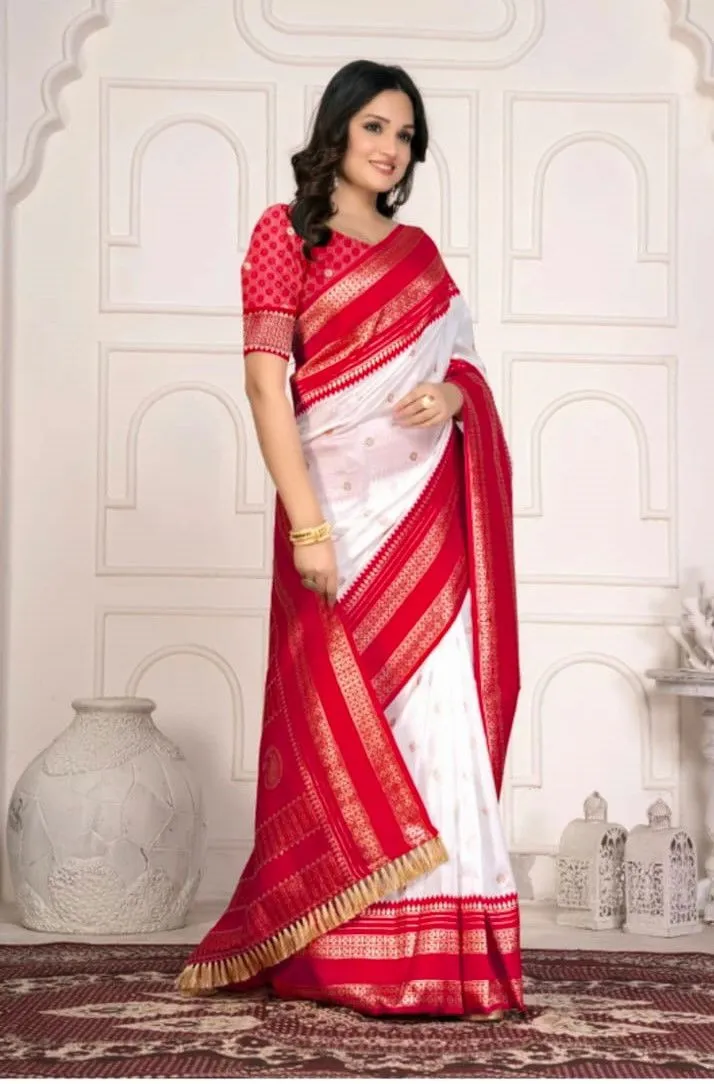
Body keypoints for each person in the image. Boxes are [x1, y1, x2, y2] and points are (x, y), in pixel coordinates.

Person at [178, 59, 523, 1019]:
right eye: (375, 126)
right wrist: (308, 527)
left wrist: (453, 394)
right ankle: (342, 955)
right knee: (335, 720)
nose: (390, 148)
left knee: (436, 718)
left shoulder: (419, 254)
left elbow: (465, 363)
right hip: (335, 513)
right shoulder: (287, 235)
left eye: (405, 134)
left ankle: (445, 952)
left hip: (425, 519)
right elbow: (265, 386)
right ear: (337, 128)